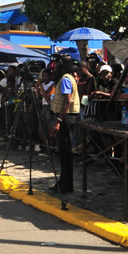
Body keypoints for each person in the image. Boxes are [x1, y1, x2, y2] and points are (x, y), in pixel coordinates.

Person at [49, 58, 79, 193]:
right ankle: (64, 182)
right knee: (64, 153)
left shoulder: (66, 79)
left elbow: (67, 102)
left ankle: (66, 185)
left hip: (65, 118)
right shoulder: (68, 78)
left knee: (65, 153)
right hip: (66, 117)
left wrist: (58, 121)